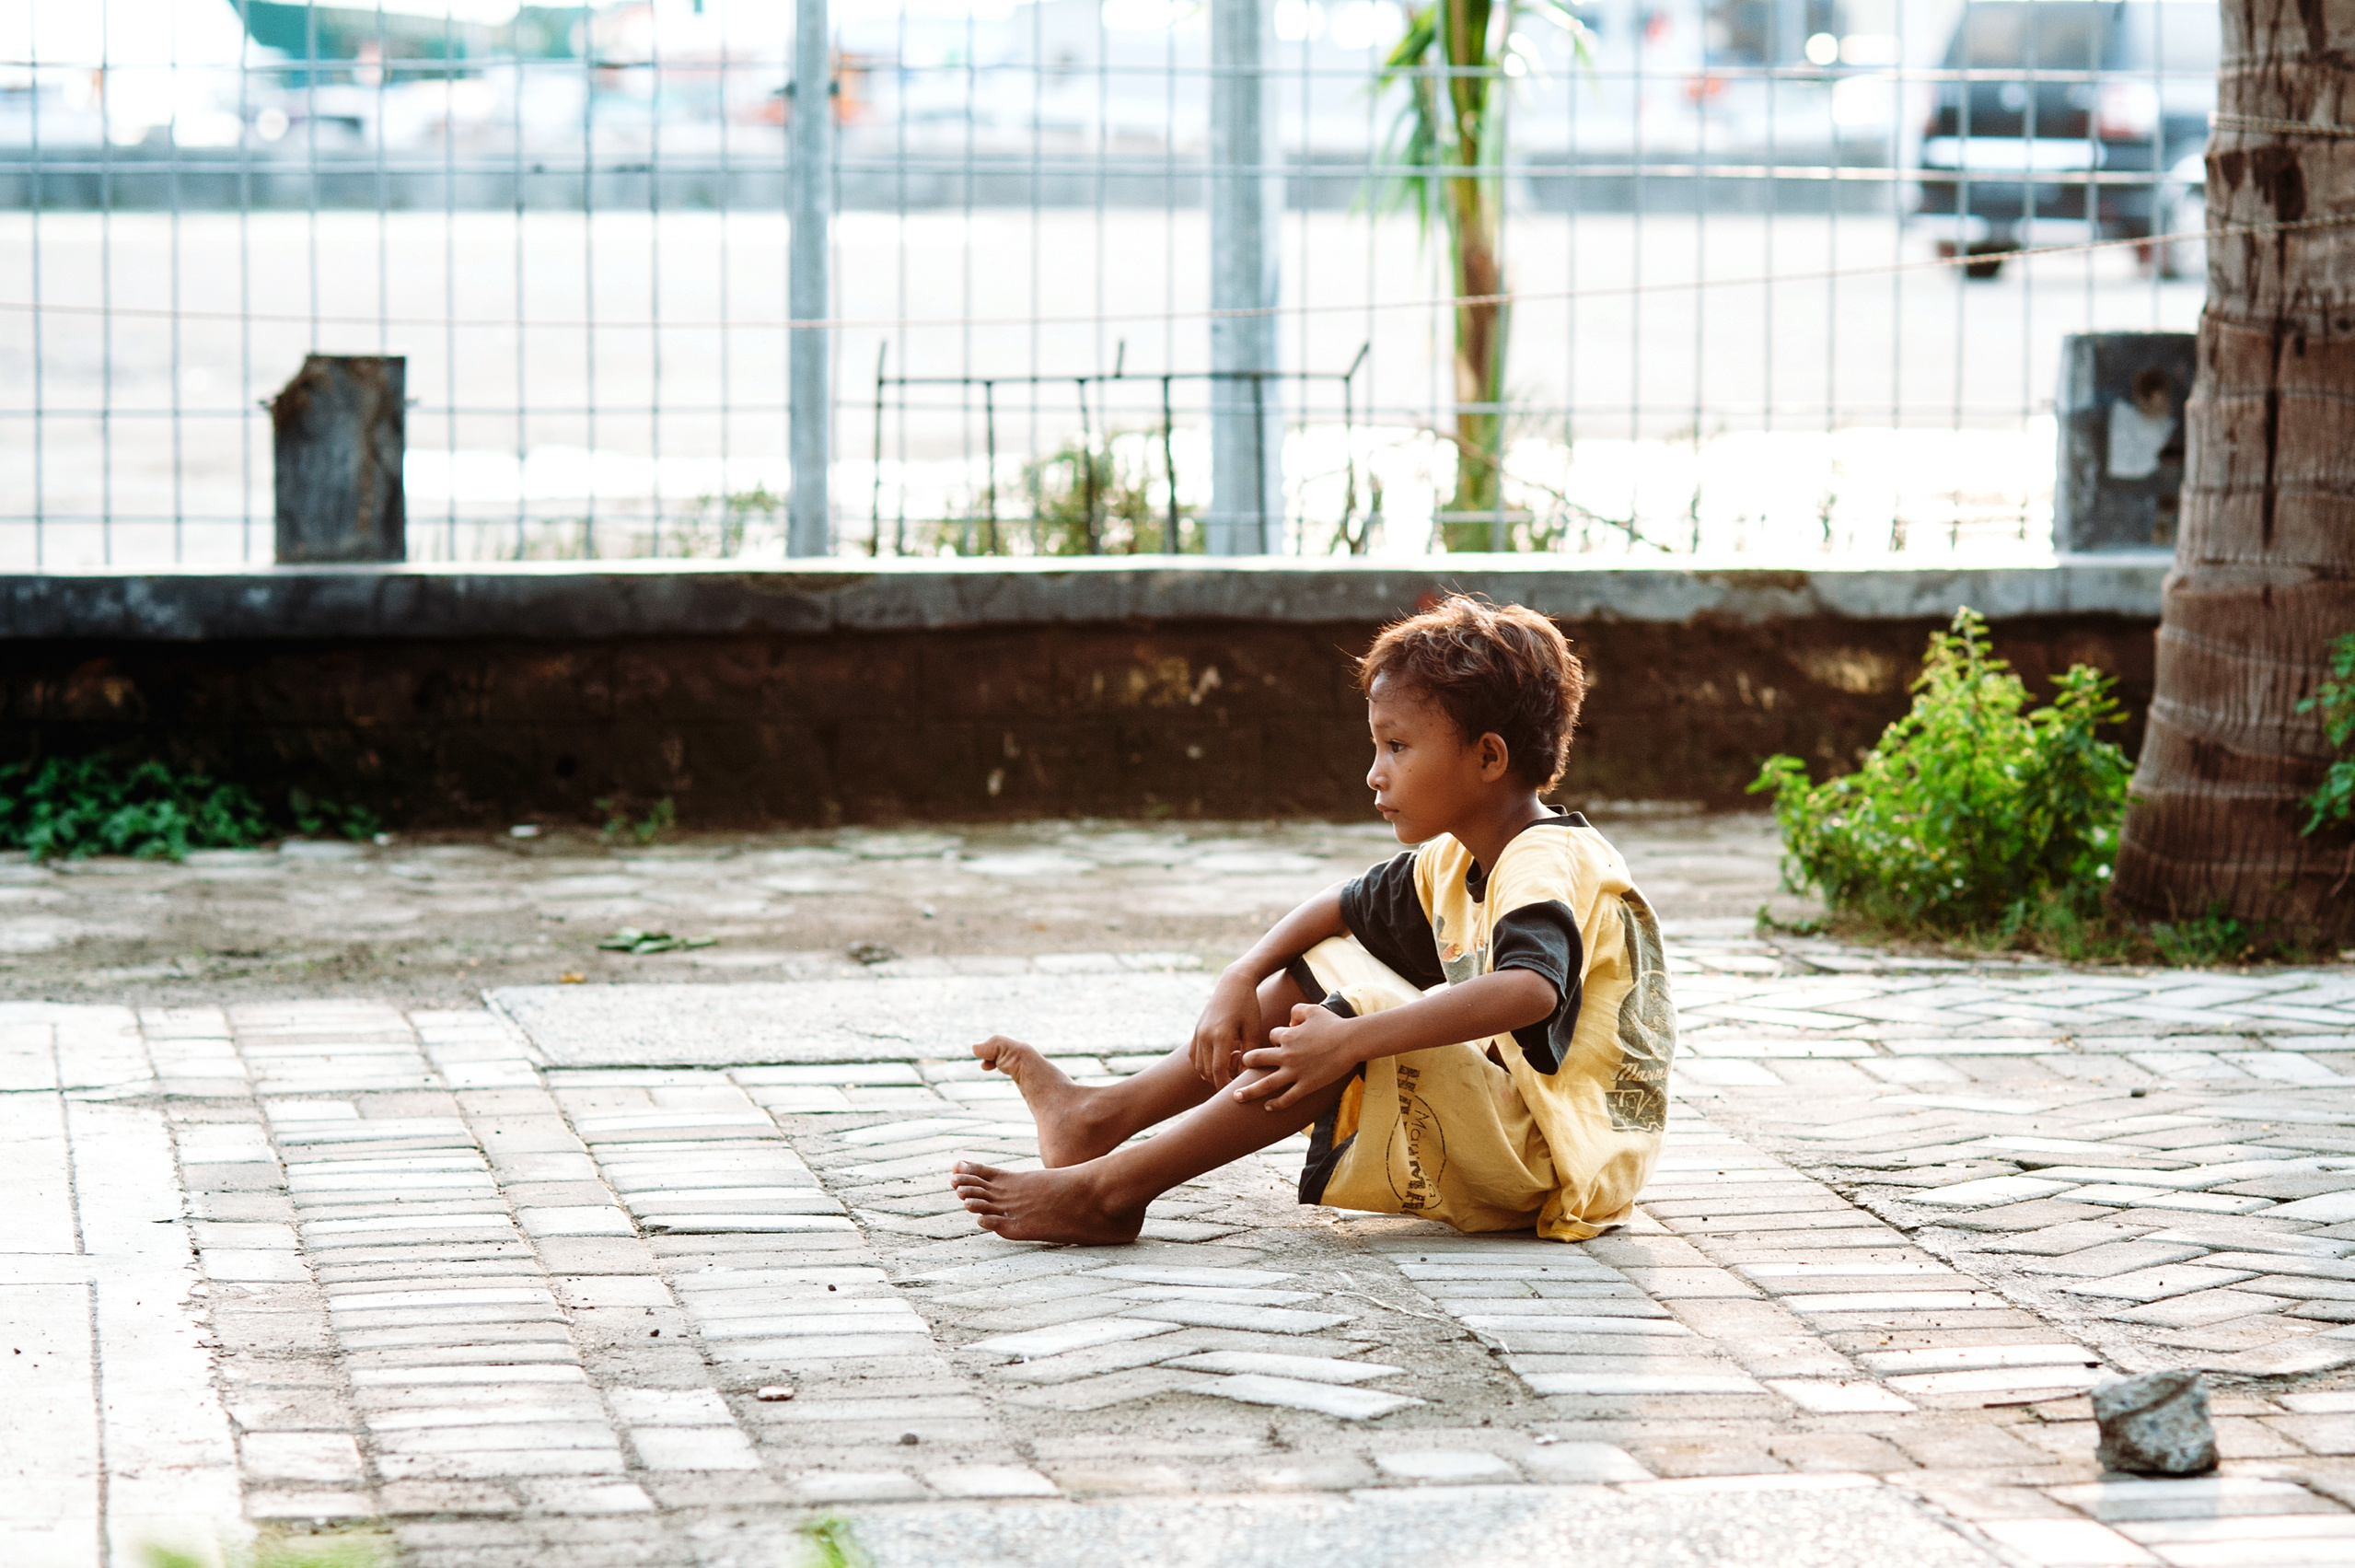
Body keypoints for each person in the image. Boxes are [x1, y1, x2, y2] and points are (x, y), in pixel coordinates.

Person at [950, 594, 1676, 1246]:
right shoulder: (1455, 858)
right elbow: (1339, 906)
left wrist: (1351, 1036)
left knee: (1345, 1019)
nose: (1374, 772)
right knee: (1326, 961)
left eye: (1397, 746)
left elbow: (1529, 989)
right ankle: (1099, 1119)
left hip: (1556, 1158)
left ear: (1488, 757)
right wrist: (1242, 974)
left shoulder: (1545, 860)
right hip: (1513, 1123)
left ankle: (1112, 1190)